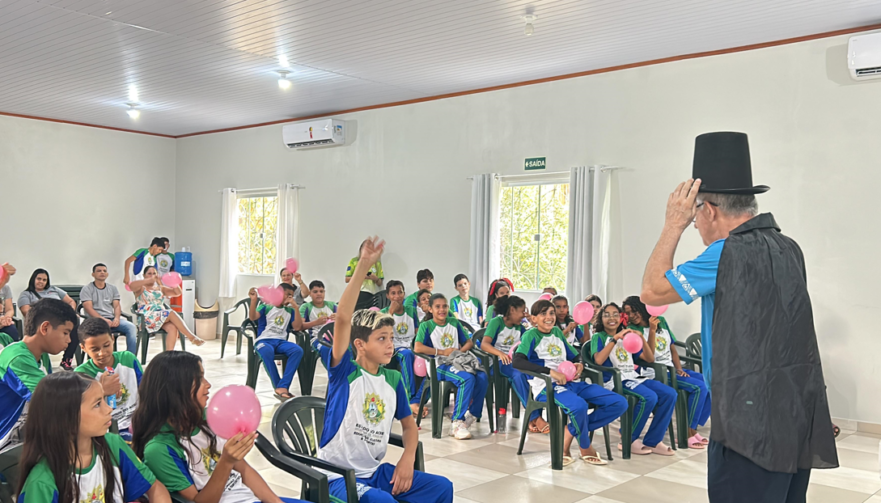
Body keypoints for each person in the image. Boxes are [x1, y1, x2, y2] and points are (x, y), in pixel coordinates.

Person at [640, 132, 838, 501]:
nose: (694, 224)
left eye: (695, 213)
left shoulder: (724, 254)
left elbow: (651, 292)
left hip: (749, 425)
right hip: (796, 413)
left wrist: (672, 225)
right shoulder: (787, 247)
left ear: (709, 209)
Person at [322, 236, 453, 503]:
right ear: (359, 344)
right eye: (382, 338)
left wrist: (407, 458)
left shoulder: (393, 378)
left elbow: (409, 426)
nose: (390, 345)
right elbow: (344, 317)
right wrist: (363, 266)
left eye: (391, 338)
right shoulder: (344, 372)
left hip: (375, 472)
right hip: (337, 476)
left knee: (442, 487)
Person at [132, 352, 302, 503]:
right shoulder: (160, 449)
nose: (208, 385)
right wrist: (226, 462)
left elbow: (244, 470)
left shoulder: (209, 419)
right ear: (176, 390)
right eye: (199, 378)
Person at [16, 372, 171, 503]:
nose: (109, 408)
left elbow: (154, 487)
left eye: (104, 399)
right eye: (97, 404)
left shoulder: (113, 444)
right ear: (66, 420)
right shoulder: (42, 483)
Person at [513, 299, 627, 466]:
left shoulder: (558, 333)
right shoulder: (531, 335)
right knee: (579, 406)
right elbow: (517, 361)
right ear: (534, 318)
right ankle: (585, 446)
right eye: (543, 314)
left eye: (551, 313)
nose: (549, 317)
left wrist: (579, 363)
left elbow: (575, 355)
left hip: (571, 383)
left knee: (619, 403)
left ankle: (570, 430)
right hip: (548, 386)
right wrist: (551, 372)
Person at [622, 295, 710, 448]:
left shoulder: (661, 321)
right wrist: (652, 331)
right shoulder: (633, 331)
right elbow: (649, 356)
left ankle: (694, 426)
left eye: (634, 311)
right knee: (698, 387)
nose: (631, 316)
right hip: (656, 373)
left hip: (672, 369)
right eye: (627, 313)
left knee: (709, 381)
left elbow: (672, 348)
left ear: (642, 308)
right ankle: (688, 431)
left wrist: (679, 368)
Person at [590, 303, 676, 456]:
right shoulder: (599, 337)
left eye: (615, 314)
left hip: (634, 377)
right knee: (649, 397)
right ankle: (628, 438)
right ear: (600, 319)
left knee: (670, 394)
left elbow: (649, 359)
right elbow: (598, 361)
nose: (611, 318)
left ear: (621, 317)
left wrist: (641, 337)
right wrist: (614, 339)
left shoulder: (627, 337)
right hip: (615, 381)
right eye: (606, 314)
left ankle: (653, 440)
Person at [0, 298, 78, 450]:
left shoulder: (41, 355)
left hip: (22, 430)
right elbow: (51, 400)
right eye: (65, 333)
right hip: (6, 438)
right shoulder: (17, 357)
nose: (69, 340)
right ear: (45, 328)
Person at [414, 293, 488, 440]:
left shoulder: (454, 322)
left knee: (482, 375)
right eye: (437, 307)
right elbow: (417, 348)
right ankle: (457, 422)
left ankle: (471, 415)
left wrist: (458, 352)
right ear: (430, 309)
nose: (442, 310)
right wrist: (441, 352)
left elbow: (469, 342)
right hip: (439, 365)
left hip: (457, 360)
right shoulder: (426, 326)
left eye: (445, 306)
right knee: (466, 379)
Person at [74, 317, 143, 442]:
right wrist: (102, 391)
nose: (102, 353)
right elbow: (81, 412)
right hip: (106, 432)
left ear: (112, 339)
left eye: (106, 345)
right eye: (94, 349)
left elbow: (145, 389)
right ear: (83, 348)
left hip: (138, 423)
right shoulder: (81, 374)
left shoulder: (128, 359)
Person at [479, 295, 534, 429]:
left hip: (511, 363)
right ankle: (533, 417)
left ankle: (533, 413)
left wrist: (533, 324)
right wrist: (500, 354)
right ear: (512, 310)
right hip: (496, 362)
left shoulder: (520, 327)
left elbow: (529, 342)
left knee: (530, 373)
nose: (523, 315)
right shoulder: (496, 322)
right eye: (522, 311)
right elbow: (484, 344)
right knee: (518, 375)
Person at [248, 283, 304, 401]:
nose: (290, 298)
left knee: (297, 350)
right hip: (264, 340)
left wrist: (296, 308)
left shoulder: (290, 310)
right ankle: (280, 387)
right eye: (287, 294)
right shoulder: (265, 306)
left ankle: (282, 386)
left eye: (292, 296)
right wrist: (253, 301)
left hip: (281, 342)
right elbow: (253, 317)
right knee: (266, 351)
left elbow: (298, 327)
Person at [130, 266, 204, 350]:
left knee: (172, 328)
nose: (152, 276)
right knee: (170, 312)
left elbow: (177, 293)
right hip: (147, 318)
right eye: (149, 274)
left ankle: (168, 355)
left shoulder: (160, 288)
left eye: (154, 273)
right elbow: (131, 285)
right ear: (144, 275)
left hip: (161, 317)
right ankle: (191, 337)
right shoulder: (140, 288)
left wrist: (173, 282)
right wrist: (148, 280)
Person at [18, 268, 80, 369]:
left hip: (62, 320)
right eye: (39, 279)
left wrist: (70, 313)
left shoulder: (54, 289)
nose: (41, 282)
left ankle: (67, 360)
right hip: (43, 324)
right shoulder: (26, 294)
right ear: (33, 279)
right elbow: (27, 312)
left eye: (44, 280)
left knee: (74, 324)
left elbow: (71, 301)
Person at [380, 280, 423, 416]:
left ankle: (419, 399)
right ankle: (408, 398)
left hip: (412, 345)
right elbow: (382, 334)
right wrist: (391, 313)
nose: (397, 296)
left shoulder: (411, 310)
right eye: (393, 293)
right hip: (395, 348)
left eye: (400, 292)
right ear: (388, 296)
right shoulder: (383, 313)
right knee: (406, 355)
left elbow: (418, 331)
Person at [80, 263, 138, 354]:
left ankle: (131, 357)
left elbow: (117, 305)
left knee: (131, 327)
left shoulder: (112, 288)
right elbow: (88, 308)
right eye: (99, 271)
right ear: (93, 274)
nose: (102, 273)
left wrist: (117, 318)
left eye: (104, 271)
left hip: (111, 320)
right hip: (95, 321)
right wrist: (102, 319)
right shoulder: (87, 289)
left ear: (107, 274)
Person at [0, 263, 18, 341]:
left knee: (12, 331)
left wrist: (6, 318)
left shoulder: (6, 288)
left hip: (3, 321)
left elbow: (10, 309)